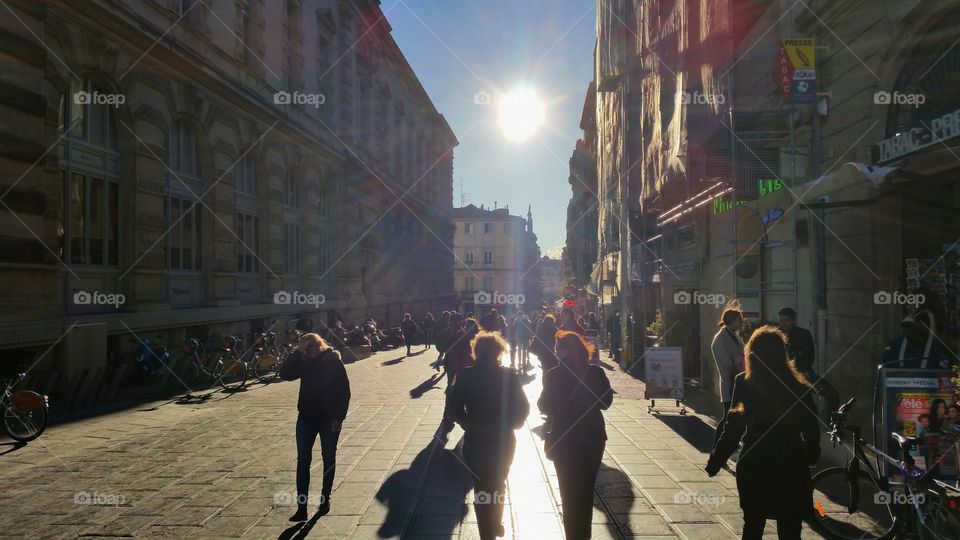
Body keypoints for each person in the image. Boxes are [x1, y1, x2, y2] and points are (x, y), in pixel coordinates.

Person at [706, 326, 819, 540]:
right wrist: (811, 455)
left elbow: (734, 427)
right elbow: (811, 427)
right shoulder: (798, 387)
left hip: (755, 463)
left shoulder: (744, 382)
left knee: (753, 525)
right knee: (790, 528)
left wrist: (716, 460)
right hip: (791, 464)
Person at [447, 331, 529, 540]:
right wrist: (511, 424)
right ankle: (496, 522)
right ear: (500, 352)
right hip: (504, 439)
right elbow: (523, 407)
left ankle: (487, 532)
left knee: (482, 486)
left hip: (476, 440)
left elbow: (454, 409)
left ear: (476, 352)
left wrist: (470, 426)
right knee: (499, 480)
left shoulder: (466, 375)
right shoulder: (509, 375)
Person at [539, 331, 613, 540]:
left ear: (563, 351)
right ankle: (584, 536)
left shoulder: (554, 374)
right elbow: (606, 403)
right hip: (593, 438)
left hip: (564, 439)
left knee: (568, 493)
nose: (555, 351)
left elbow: (544, 406)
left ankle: (573, 536)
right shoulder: (596, 373)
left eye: (557, 347)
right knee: (585, 491)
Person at [279, 333, 351, 521]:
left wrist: (339, 417)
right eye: (304, 347)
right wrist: (297, 353)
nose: (308, 350)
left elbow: (345, 391)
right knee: (303, 461)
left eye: (310, 346)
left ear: (319, 345)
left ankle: (325, 499)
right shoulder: (303, 361)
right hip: (306, 418)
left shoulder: (333, 361)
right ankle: (301, 508)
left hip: (329, 420)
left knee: (328, 458)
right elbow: (285, 375)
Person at [777, 307, 839, 414]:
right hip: (782, 377)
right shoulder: (775, 335)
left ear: (793, 320)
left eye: (786, 320)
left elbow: (809, 358)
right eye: (781, 320)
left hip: (804, 374)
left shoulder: (804, 334)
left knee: (832, 394)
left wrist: (796, 360)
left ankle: (832, 425)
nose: (784, 323)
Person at [711, 308, 745, 445]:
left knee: (735, 417)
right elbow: (727, 363)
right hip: (730, 383)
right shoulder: (720, 339)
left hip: (738, 382)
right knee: (727, 418)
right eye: (740, 320)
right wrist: (741, 359)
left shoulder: (733, 334)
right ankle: (718, 448)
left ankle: (730, 446)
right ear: (733, 321)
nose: (742, 322)